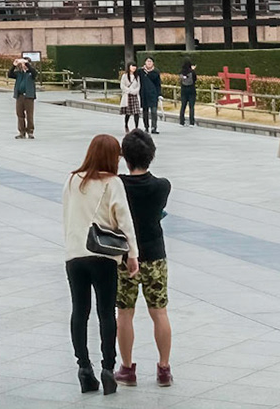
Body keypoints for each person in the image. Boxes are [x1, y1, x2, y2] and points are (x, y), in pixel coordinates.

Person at [62, 133, 139, 394]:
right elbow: (124, 220)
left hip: (75, 255)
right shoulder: (113, 183)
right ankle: (108, 369)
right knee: (106, 312)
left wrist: (72, 245)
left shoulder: (73, 180)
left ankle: (84, 368)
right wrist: (132, 255)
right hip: (104, 257)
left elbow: (66, 215)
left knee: (79, 311)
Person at [115, 129, 173, 388]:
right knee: (159, 312)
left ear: (124, 157)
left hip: (126, 257)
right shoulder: (162, 186)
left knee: (124, 314)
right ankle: (163, 368)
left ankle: (127, 368)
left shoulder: (117, 185)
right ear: (151, 155)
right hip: (155, 255)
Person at [10, 57, 38, 138]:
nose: (23, 65)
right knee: (20, 114)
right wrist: (14, 66)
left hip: (29, 96)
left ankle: (30, 131)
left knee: (29, 114)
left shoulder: (31, 73)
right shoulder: (19, 73)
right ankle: (21, 132)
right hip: (20, 96)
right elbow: (10, 74)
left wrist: (27, 63)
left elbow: (34, 73)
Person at [139, 58, 162, 135]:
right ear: (145, 62)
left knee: (154, 111)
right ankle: (146, 127)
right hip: (144, 94)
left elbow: (158, 84)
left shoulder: (156, 72)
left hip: (153, 94)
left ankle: (154, 127)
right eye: (147, 61)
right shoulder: (141, 71)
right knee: (145, 112)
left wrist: (159, 94)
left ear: (153, 63)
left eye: (150, 61)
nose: (149, 63)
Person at [119, 62, 142, 134]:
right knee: (128, 113)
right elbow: (122, 86)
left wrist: (134, 91)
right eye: (132, 66)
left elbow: (138, 86)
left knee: (136, 112)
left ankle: (136, 127)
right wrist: (129, 91)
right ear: (129, 67)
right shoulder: (125, 76)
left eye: (135, 66)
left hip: (135, 96)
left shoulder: (137, 76)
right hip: (127, 96)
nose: (134, 68)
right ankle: (126, 125)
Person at [177, 60, 197, 127]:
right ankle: (191, 122)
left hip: (183, 90)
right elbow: (195, 79)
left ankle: (181, 122)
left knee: (183, 106)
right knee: (191, 107)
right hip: (191, 90)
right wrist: (192, 70)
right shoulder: (192, 72)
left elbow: (180, 80)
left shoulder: (181, 72)